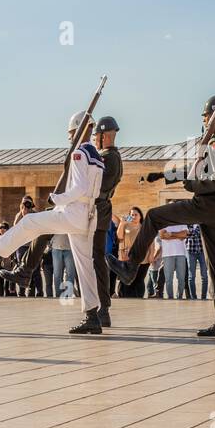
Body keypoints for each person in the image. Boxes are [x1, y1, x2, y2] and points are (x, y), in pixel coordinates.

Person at [108, 94, 215, 337]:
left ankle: (131, 267)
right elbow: (195, 169)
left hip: (206, 205)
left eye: (207, 115)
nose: (204, 119)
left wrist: (190, 185)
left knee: (154, 216)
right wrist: (162, 175)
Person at [0, 112, 107, 333]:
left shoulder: (79, 152)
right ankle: (93, 316)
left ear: (79, 130)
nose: (69, 137)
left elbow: (79, 188)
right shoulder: (97, 155)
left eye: (71, 132)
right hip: (89, 214)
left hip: (73, 212)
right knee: (85, 266)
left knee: (31, 222)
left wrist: (57, 198)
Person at [90, 116, 123, 326]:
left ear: (104, 136)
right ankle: (102, 308)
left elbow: (96, 186)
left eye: (96, 136)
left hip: (98, 209)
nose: (94, 140)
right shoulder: (108, 156)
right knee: (96, 259)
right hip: (100, 209)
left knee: (96, 259)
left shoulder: (109, 158)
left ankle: (103, 308)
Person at [116, 207, 145, 298]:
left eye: (136, 214)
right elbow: (119, 237)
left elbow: (150, 242)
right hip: (126, 256)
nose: (134, 216)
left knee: (138, 279)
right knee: (125, 278)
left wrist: (151, 254)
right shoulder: (125, 225)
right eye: (132, 214)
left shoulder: (144, 227)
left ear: (140, 216)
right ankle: (123, 296)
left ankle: (138, 297)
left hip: (141, 257)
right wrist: (122, 223)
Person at [158, 224, 189, 299]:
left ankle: (180, 297)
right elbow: (162, 236)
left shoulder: (182, 222)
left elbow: (185, 235)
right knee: (168, 279)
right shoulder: (163, 222)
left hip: (181, 253)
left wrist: (170, 234)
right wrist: (178, 236)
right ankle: (170, 298)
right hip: (167, 254)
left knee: (181, 279)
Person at [184, 223, 208, 301]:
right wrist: (196, 232)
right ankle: (193, 297)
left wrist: (191, 233)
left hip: (202, 252)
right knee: (191, 276)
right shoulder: (187, 224)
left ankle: (203, 297)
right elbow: (185, 234)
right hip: (190, 252)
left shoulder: (203, 224)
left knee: (204, 276)